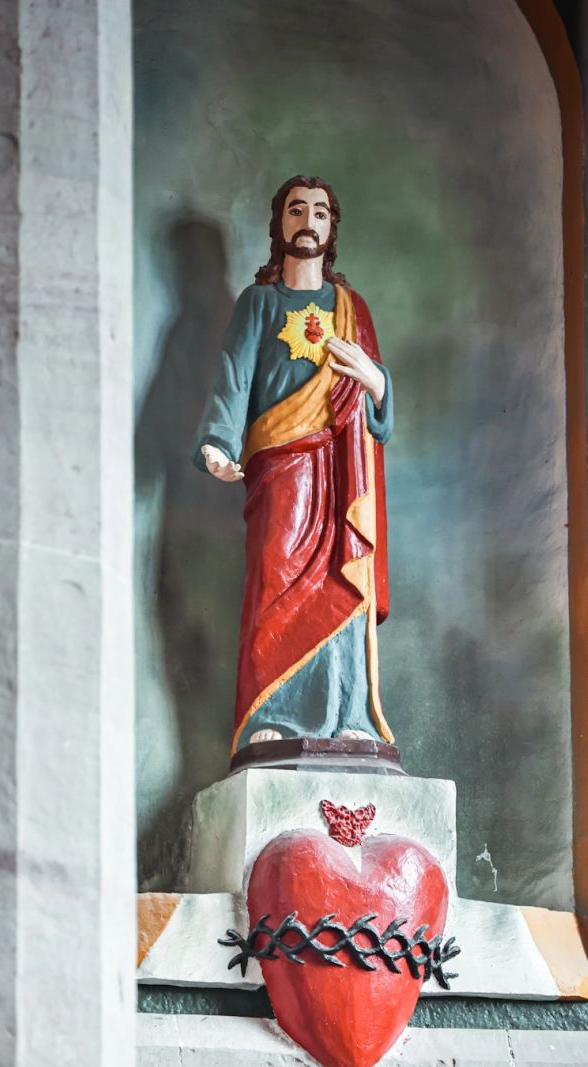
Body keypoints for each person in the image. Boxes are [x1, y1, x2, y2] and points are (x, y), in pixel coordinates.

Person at [193, 175, 395, 753]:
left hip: (342, 469)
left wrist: (376, 380)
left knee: (340, 580)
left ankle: (346, 714)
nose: (308, 222)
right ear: (279, 223)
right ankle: (272, 714)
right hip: (280, 471)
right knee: (275, 583)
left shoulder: (352, 309)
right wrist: (218, 442)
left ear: (332, 229)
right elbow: (233, 376)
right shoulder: (258, 303)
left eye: (320, 213)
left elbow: (379, 411)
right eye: (296, 210)